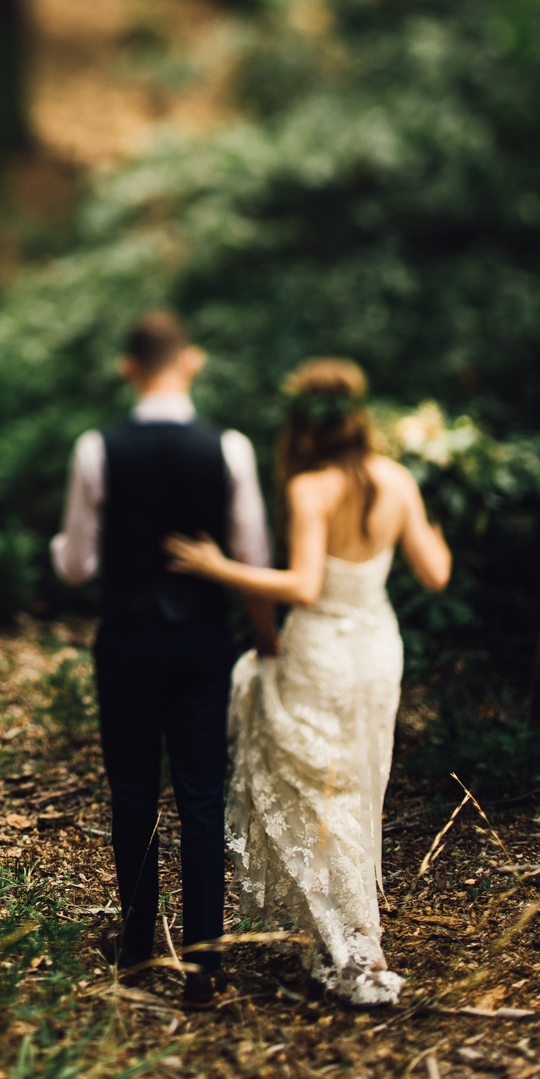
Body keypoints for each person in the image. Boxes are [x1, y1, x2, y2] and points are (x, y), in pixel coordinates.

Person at [165, 358, 451, 1005]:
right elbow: (436, 573)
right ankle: (351, 939)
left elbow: (303, 586)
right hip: (377, 647)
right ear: (359, 417)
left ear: (302, 425)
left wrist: (220, 567)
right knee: (359, 782)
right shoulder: (398, 479)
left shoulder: (310, 487)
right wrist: (437, 530)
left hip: (322, 647)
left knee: (320, 789)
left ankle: (351, 944)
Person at [51, 311, 277, 1005]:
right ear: (193, 362)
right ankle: (205, 963)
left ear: (128, 367)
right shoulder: (229, 448)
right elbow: (255, 558)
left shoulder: (97, 448)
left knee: (132, 793)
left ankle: (138, 949)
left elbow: (77, 565)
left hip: (127, 638)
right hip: (203, 638)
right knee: (202, 795)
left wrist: (58, 551)